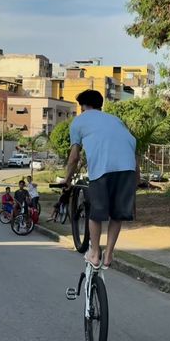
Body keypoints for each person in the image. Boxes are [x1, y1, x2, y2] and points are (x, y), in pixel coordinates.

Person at [62, 89, 139, 269]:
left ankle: (95, 254)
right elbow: (133, 153)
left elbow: (74, 157)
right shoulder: (115, 120)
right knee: (117, 214)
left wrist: (66, 179)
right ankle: (109, 254)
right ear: (100, 105)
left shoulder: (79, 121)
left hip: (102, 170)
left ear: (82, 107)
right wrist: (135, 183)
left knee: (96, 214)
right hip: (128, 168)